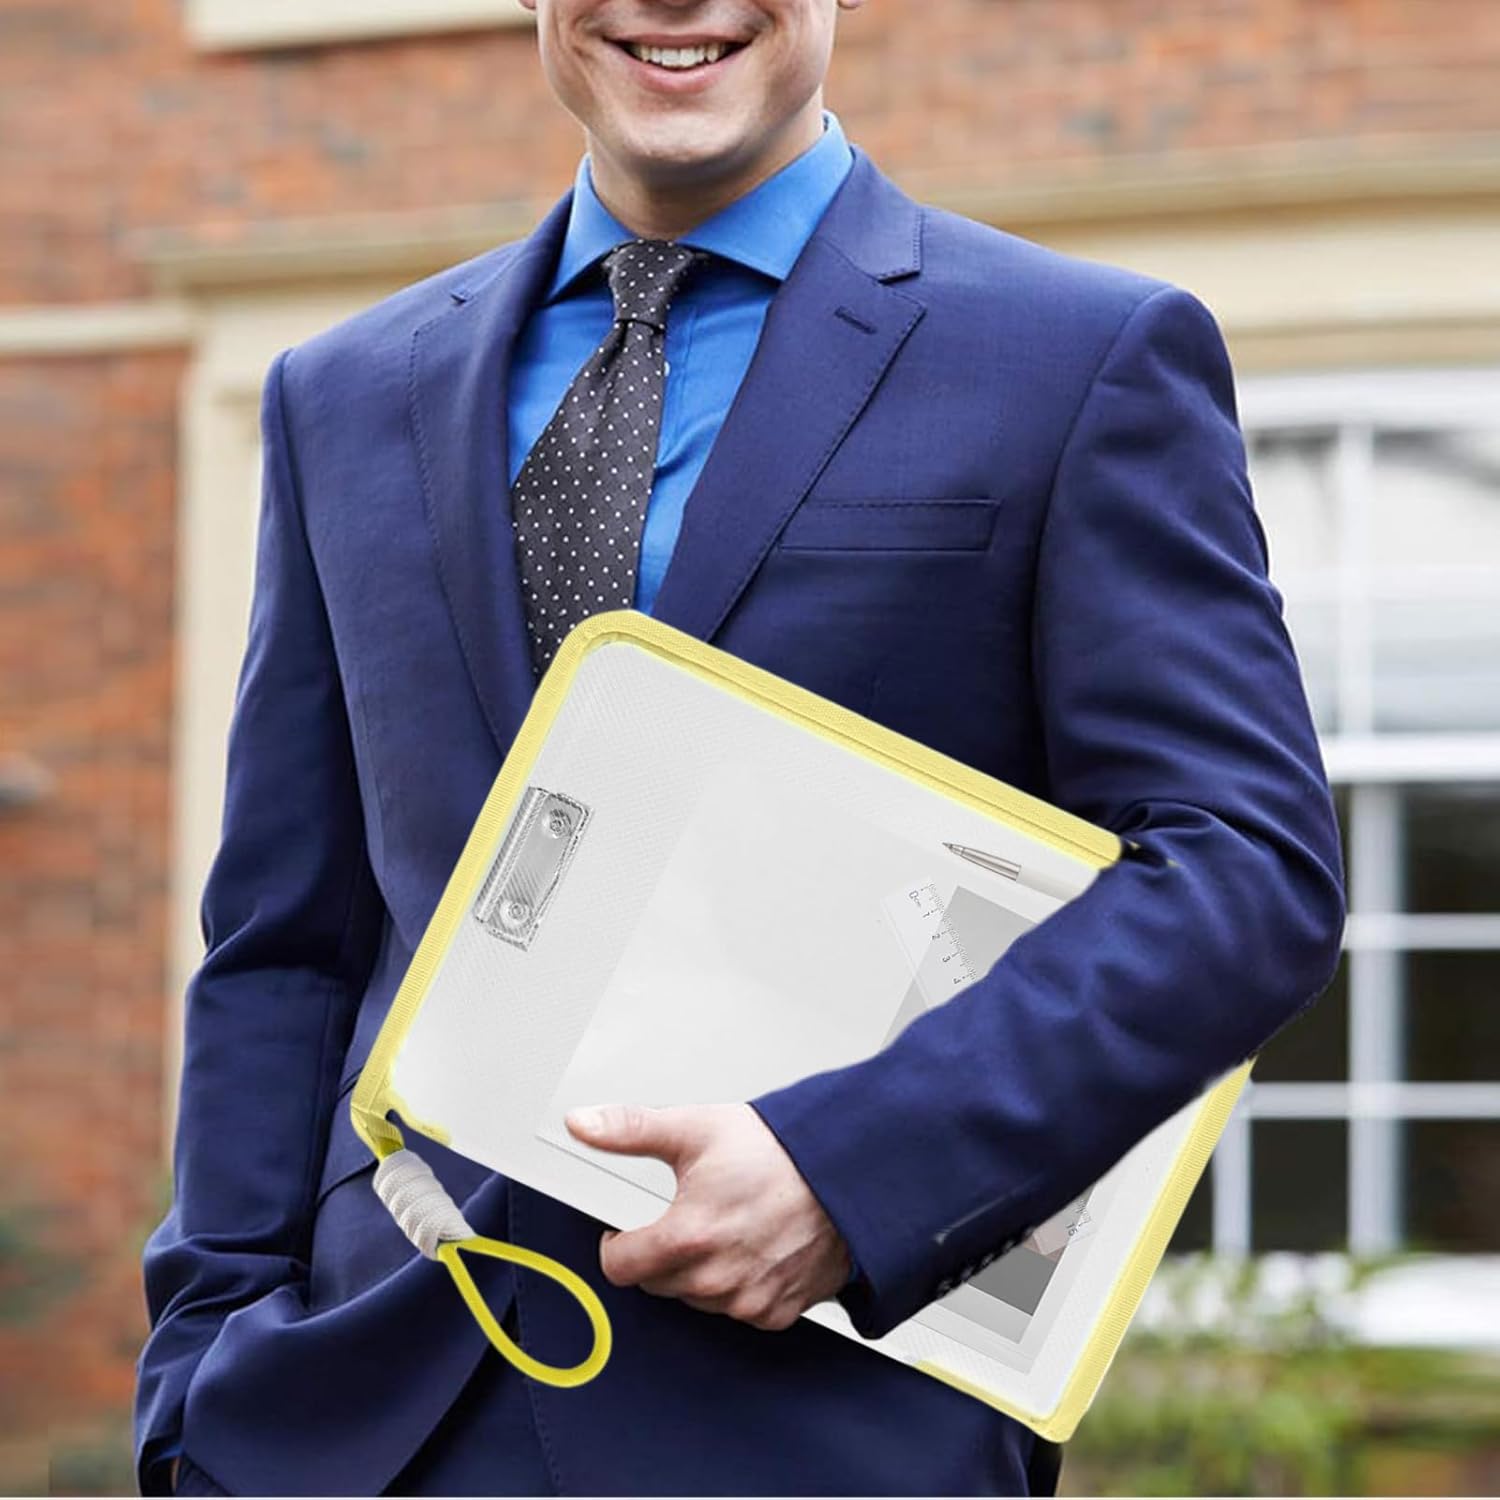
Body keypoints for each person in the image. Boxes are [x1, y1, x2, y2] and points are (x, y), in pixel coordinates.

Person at [134, 0, 1346, 1494]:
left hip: (824, 1417)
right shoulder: (341, 396)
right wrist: (202, 1368)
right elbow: (288, 940)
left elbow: (1243, 873)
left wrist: (850, 1172)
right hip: (366, 1406)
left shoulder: (1079, 357)